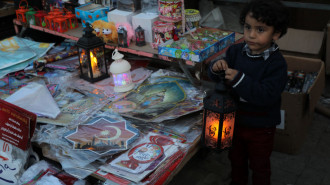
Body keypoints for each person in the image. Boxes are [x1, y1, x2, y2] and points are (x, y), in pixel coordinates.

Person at [207, 0, 289, 185]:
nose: (251, 35)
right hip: (234, 122)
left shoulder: (276, 64)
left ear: (276, 33)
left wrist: (239, 79)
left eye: (260, 30)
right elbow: (218, 77)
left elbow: (267, 96)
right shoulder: (235, 51)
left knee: (259, 166)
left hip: (261, 127)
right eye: (247, 27)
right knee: (236, 161)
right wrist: (216, 68)